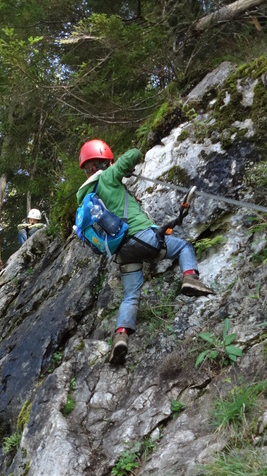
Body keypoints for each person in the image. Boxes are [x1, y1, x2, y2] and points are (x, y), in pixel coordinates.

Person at [77, 139, 214, 365]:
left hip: (121, 253)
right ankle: (190, 278)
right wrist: (119, 168)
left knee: (130, 295)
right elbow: (133, 153)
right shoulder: (108, 177)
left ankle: (121, 335)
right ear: (104, 162)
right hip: (142, 237)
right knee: (183, 246)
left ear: (86, 170)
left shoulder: (87, 197)